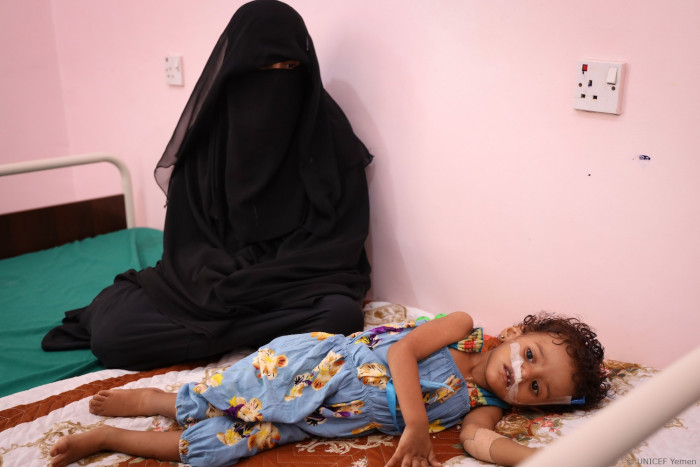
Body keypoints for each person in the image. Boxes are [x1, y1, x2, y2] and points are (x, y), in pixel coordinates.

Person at [42, 0, 373, 370]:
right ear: (236, 70)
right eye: (261, 68)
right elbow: (188, 244)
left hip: (295, 282)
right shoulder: (208, 138)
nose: (275, 81)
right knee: (114, 333)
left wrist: (258, 279)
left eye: (289, 67)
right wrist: (226, 282)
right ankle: (251, 334)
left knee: (340, 316)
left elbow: (340, 244)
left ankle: (222, 334)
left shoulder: (329, 137)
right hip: (212, 283)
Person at [48, 311, 610, 467]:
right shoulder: (462, 330)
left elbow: (478, 443)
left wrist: (555, 458)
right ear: (513, 334)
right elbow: (401, 352)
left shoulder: (483, 408)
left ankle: (112, 439)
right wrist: (416, 424)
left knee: (225, 444)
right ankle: (164, 401)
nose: (522, 376)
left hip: (323, 421)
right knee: (236, 388)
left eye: (537, 388)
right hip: (321, 366)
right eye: (530, 357)